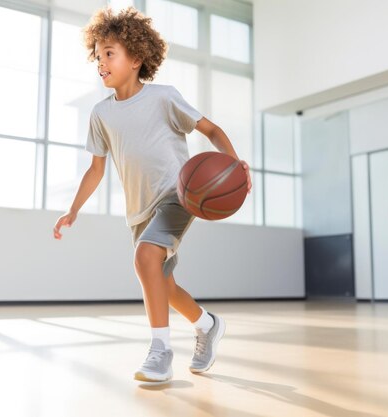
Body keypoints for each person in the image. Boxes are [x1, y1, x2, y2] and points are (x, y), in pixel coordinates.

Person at [53, 7, 252, 383]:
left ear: (136, 58)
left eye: (109, 53)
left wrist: (235, 163)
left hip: (178, 195)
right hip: (139, 209)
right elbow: (96, 169)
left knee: (144, 257)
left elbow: (211, 129)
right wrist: (73, 210)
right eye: (97, 56)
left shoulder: (164, 98)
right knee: (162, 281)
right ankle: (207, 324)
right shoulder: (101, 114)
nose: (101, 62)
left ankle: (160, 351)